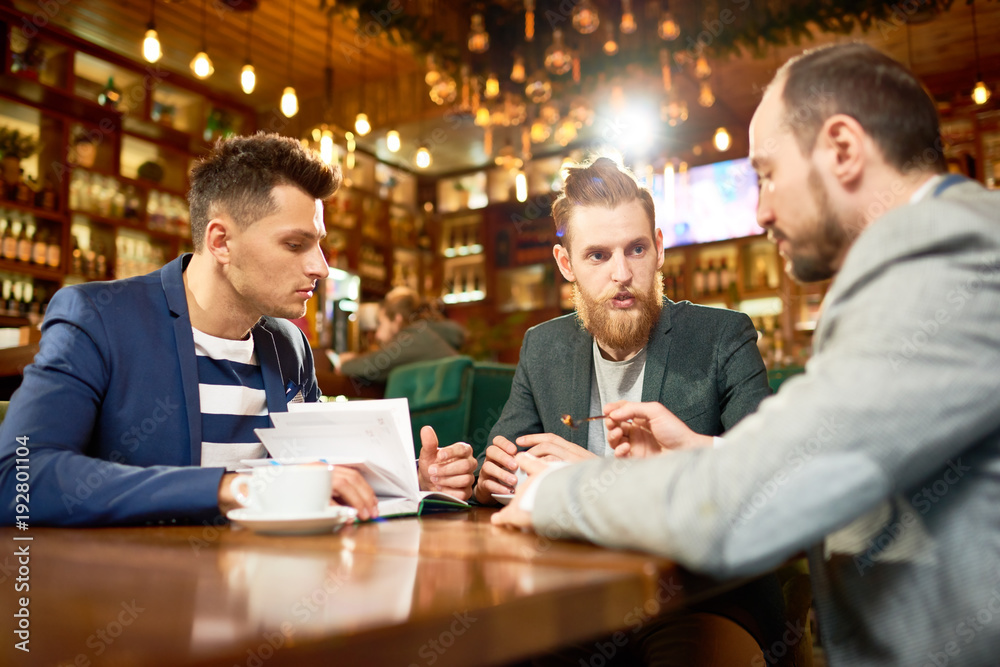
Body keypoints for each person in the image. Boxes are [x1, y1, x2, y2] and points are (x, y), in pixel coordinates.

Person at [495, 43, 1000, 666]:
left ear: (842, 150)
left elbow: (756, 501)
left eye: (766, 173)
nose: (759, 210)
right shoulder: (941, 251)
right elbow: (833, 463)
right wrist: (709, 451)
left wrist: (559, 492)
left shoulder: (948, 259)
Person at [0, 133, 475, 527]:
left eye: (319, 245)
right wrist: (232, 487)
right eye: (295, 244)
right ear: (221, 241)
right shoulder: (98, 318)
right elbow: (18, 480)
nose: (321, 267)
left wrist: (410, 481)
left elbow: (312, 477)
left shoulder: (289, 344)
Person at [475, 156, 783, 664]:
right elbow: (506, 460)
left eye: (636, 249)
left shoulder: (723, 337)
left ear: (658, 248)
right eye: (597, 255)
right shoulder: (543, 347)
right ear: (566, 263)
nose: (622, 274)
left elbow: (765, 481)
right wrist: (492, 479)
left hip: (701, 597)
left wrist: (595, 480)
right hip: (574, 596)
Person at [335, 285, 466, 384]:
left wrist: (344, 363)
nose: (378, 335)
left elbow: (371, 366)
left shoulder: (413, 338)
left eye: (381, 323)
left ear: (397, 320)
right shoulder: (427, 334)